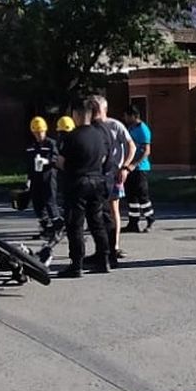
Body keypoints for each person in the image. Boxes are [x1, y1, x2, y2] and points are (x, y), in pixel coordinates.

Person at [54, 100, 115, 278]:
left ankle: (76, 264)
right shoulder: (99, 135)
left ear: (77, 115)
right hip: (97, 182)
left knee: (75, 225)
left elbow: (62, 162)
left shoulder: (71, 136)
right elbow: (105, 159)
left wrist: (60, 166)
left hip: (77, 183)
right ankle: (104, 260)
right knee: (97, 222)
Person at [91, 95, 135, 257]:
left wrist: (125, 167)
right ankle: (101, 248)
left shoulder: (115, 125)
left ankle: (114, 246)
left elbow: (132, 146)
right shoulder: (91, 127)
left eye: (97, 109)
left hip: (114, 173)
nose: (94, 112)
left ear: (104, 109)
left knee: (113, 208)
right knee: (97, 212)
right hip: (95, 175)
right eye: (92, 109)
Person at [24, 116, 61, 235]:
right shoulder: (31, 146)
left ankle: (57, 225)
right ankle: (44, 226)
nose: (39, 135)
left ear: (45, 130)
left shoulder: (51, 143)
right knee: (37, 202)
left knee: (50, 200)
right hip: (36, 177)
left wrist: (47, 161)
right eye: (36, 132)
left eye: (40, 132)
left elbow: (56, 157)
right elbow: (29, 163)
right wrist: (29, 178)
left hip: (49, 175)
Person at [122, 105, 155, 233]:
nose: (124, 118)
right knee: (131, 196)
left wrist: (134, 164)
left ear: (133, 116)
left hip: (140, 168)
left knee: (142, 195)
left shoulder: (143, 129)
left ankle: (150, 218)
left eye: (126, 116)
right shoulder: (131, 128)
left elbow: (146, 151)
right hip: (130, 168)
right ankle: (133, 222)